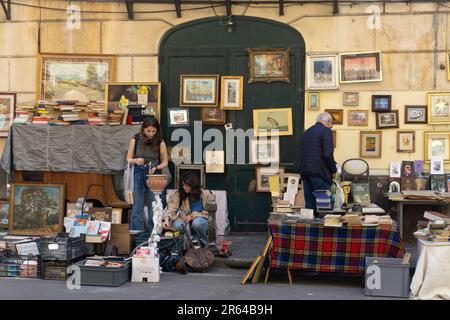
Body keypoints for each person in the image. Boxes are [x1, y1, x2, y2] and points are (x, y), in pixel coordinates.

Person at [126, 116, 168, 233]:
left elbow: (165, 162)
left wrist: (156, 167)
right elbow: (128, 158)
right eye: (148, 131)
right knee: (137, 207)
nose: (151, 134)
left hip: (154, 176)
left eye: (153, 131)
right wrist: (135, 160)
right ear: (143, 129)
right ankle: (137, 237)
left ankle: (153, 236)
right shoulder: (135, 140)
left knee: (154, 207)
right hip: (138, 174)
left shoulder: (160, 142)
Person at [162, 172, 214, 247]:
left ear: (193, 185)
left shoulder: (206, 193)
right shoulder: (179, 194)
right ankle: (180, 248)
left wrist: (193, 215)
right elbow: (171, 208)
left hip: (202, 220)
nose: (184, 187)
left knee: (197, 223)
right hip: (184, 219)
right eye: (183, 185)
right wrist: (166, 219)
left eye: (186, 185)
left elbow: (211, 213)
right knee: (177, 225)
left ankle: (203, 246)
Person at [299, 112, 337, 213]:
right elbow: (327, 154)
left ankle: (310, 228)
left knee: (310, 207)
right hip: (320, 175)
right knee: (324, 207)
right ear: (328, 122)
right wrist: (333, 170)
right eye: (331, 124)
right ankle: (323, 229)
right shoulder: (326, 131)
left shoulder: (307, 132)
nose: (331, 126)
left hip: (306, 173)